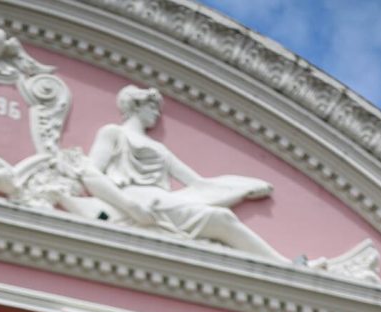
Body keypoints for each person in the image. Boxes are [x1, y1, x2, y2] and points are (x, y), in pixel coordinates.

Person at [56, 85, 294, 263]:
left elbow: (199, 184)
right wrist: (129, 206)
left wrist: (243, 189)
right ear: (135, 106)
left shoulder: (161, 149)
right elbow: (91, 174)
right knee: (222, 218)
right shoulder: (114, 133)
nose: (157, 114)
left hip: (161, 201)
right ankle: (284, 266)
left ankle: (284, 265)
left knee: (222, 217)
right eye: (152, 107)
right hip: (138, 199)